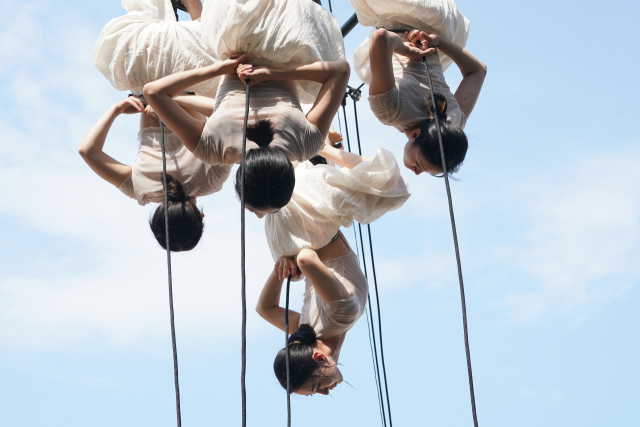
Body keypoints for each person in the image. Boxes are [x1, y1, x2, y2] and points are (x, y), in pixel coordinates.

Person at [142, 0, 349, 211]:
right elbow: (153, 92)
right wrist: (221, 68)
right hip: (233, 29)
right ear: (241, 179)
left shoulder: (306, 144)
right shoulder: (212, 150)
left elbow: (340, 71)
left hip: (286, 30)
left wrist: (274, 73)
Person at [255, 139, 411, 395]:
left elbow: (306, 258)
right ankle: (319, 146)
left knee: (391, 187)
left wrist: (287, 264)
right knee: (281, 142)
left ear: (318, 358)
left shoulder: (340, 317)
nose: (325, 391)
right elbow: (265, 309)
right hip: (295, 223)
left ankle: (320, 145)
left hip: (307, 217)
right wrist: (281, 269)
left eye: (317, 386)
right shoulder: (307, 329)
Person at [349, 0, 487, 177]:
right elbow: (381, 38)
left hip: (441, 19)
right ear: (415, 134)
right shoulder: (391, 112)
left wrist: (439, 41)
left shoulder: (453, 122)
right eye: (420, 164)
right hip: (401, 6)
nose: (416, 172)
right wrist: (407, 52)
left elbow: (478, 71)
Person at [78, 94, 231, 251]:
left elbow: (229, 118)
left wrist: (164, 100)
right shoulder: (140, 190)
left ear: (201, 217)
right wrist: (116, 109)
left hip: (189, 86)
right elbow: (87, 151)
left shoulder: (214, 179)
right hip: (145, 83)